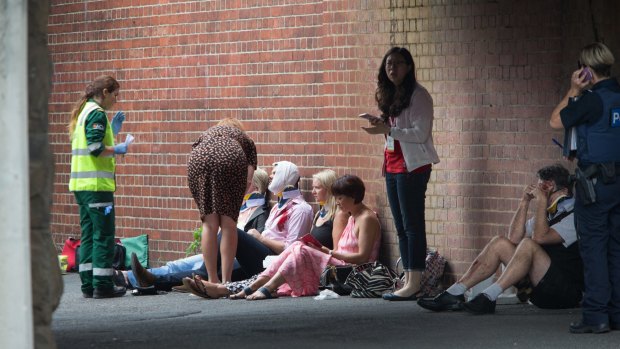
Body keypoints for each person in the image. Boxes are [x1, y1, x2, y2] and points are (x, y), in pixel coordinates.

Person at [417, 165, 583, 315]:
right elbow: (514, 237)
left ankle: (489, 296)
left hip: (564, 292)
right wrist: (524, 202)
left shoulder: (575, 213)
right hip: (540, 286)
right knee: (500, 243)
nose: (540, 191)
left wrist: (541, 201)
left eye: (545, 187)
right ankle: (455, 292)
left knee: (528, 244)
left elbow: (540, 237)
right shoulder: (546, 215)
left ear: (561, 190)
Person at [137, 161, 314, 292]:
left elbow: (292, 249)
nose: (270, 177)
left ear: (286, 176)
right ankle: (155, 280)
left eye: (275, 173)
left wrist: (259, 238)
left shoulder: (301, 210)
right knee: (206, 273)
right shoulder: (278, 206)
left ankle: (159, 279)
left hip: (275, 263)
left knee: (233, 234)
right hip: (261, 259)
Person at [182, 169, 349, 299]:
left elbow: (336, 251)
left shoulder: (307, 210)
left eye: (317, 187)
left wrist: (260, 238)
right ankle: (188, 283)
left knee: (236, 236)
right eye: (312, 187)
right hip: (284, 257)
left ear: (329, 189)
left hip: (294, 258)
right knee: (233, 269)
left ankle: (215, 285)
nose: (313, 191)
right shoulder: (317, 213)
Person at [549, 42, 620, 334]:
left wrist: (573, 91)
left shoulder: (590, 100)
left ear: (586, 70)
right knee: (615, 250)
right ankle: (615, 313)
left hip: (593, 185)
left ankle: (595, 315)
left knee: (593, 249)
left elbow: (554, 121)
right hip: (617, 183)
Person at [360, 47, 440, 301]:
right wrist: (381, 125)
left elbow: (420, 133)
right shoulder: (392, 95)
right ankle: (407, 279)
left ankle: (415, 280)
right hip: (392, 166)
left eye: (397, 64)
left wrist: (389, 130)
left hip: (412, 167)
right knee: (401, 226)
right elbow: (395, 130)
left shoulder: (420, 96)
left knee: (412, 224)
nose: (392, 68)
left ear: (408, 67)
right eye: (388, 64)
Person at [232, 174, 381, 300]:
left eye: (340, 198)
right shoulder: (352, 217)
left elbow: (363, 257)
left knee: (302, 250)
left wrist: (327, 252)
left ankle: (267, 287)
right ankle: (259, 284)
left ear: (353, 196)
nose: (337, 202)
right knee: (297, 245)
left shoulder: (367, 218)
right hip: (339, 267)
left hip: (354, 272)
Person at [120, 168, 271, 289]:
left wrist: (261, 237)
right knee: (177, 265)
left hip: (244, 258)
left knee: (203, 271)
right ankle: (128, 276)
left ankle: (134, 277)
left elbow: (278, 243)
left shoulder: (263, 212)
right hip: (221, 251)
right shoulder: (253, 208)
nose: (272, 178)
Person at [68, 75, 130, 298]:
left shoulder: (83, 113)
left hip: (81, 186)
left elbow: (90, 143)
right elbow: (95, 147)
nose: (116, 99)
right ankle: (103, 285)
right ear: (105, 92)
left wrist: (112, 133)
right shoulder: (97, 113)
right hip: (96, 187)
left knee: (88, 235)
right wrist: (119, 148)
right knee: (103, 235)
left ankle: (88, 285)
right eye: (115, 94)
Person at [188, 117, 257, 284]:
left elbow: (195, 149)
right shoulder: (244, 139)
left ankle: (212, 279)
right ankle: (226, 280)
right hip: (230, 158)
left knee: (209, 224)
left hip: (198, 159)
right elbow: (249, 177)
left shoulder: (208, 134)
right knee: (228, 225)